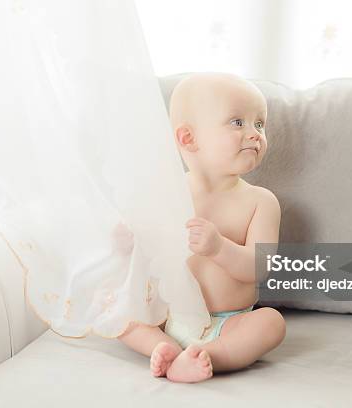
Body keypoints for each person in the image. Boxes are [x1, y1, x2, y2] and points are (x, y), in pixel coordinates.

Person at [116, 72, 285, 383]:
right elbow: (142, 246)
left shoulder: (261, 202)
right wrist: (126, 238)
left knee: (271, 323)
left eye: (260, 124)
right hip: (169, 317)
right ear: (188, 138)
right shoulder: (165, 192)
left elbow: (260, 267)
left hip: (230, 322)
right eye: (238, 122)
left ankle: (208, 357)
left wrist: (219, 248)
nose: (255, 133)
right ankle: (165, 350)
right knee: (117, 313)